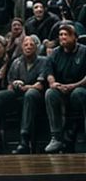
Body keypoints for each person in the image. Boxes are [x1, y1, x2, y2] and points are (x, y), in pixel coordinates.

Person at [43, 20, 86, 154]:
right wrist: (53, 83)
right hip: (62, 88)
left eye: (66, 34)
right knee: (50, 93)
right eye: (61, 34)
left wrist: (74, 85)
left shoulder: (84, 51)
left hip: (80, 87)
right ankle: (56, 137)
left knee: (78, 93)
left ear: (75, 37)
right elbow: (48, 72)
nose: (63, 37)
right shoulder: (55, 53)